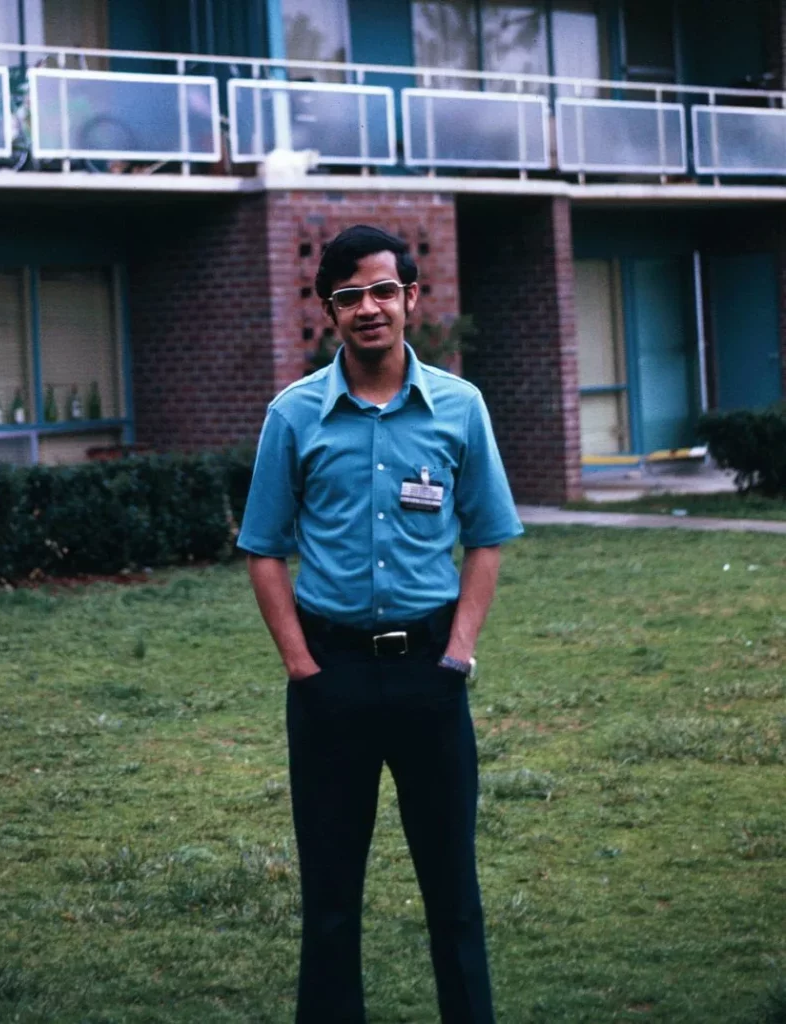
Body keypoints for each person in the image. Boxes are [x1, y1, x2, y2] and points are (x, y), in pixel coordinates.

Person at [238, 224, 523, 1023]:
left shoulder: (459, 409)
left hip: (430, 676)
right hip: (331, 679)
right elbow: (263, 550)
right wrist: (303, 669)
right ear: (330, 310)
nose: (369, 308)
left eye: (383, 291)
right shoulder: (293, 417)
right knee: (330, 897)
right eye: (350, 295)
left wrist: (459, 654)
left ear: (410, 298)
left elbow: (488, 535)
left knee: (453, 893)